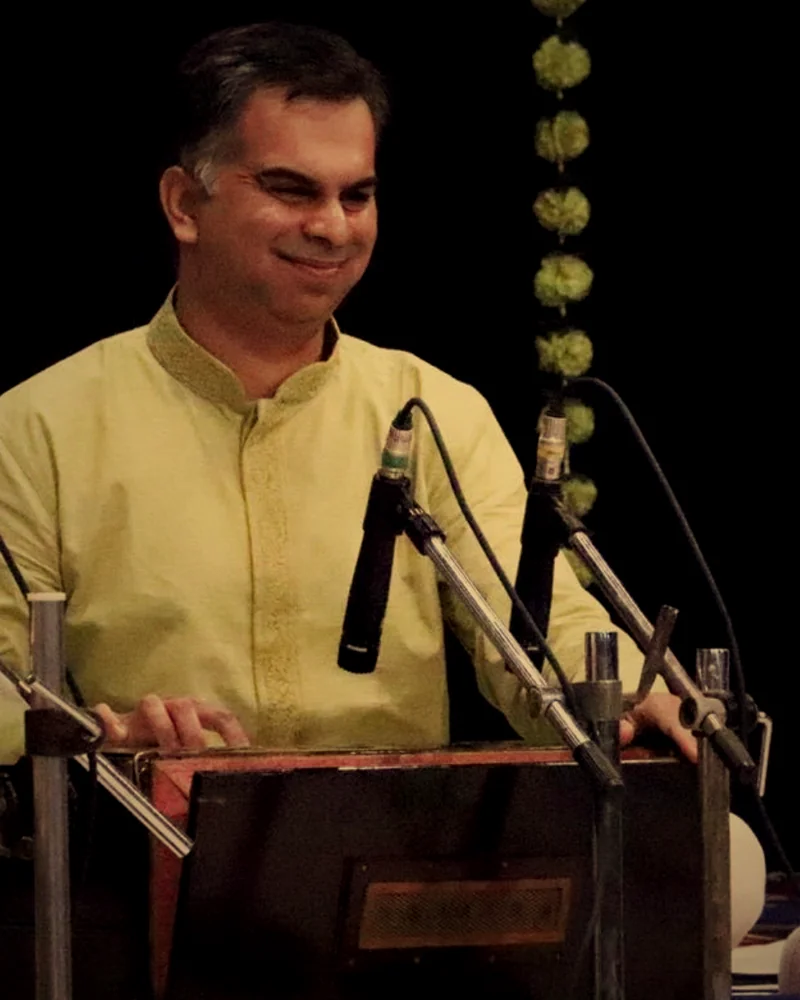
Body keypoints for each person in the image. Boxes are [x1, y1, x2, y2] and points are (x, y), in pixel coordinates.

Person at [0, 21, 692, 763]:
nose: (332, 227)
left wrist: (626, 695)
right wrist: (102, 740)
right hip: (143, 833)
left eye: (356, 196)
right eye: (290, 189)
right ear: (183, 205)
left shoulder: (432, 410)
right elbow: (6, 692)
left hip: (397, 840)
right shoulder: (40, 428)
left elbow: (536, 625)